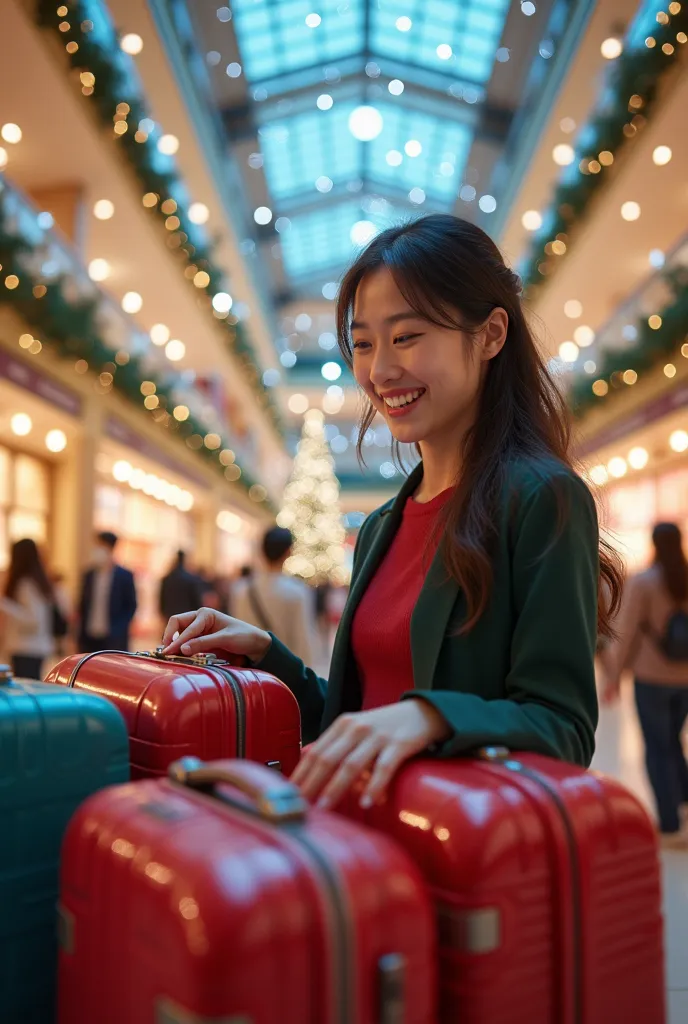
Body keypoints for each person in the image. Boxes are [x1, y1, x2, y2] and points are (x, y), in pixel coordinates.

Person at [162, 214, 622, 811]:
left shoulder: (541, 498)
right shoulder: (383, 525)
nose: (379, 371)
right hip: (360, 842)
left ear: (490, 335)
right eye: (362, 343)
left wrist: (430, 718)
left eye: (406, 337)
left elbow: (563, 728)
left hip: (453, 855)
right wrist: (265, 655)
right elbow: (354, 720)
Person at [603, 523, 688, 848]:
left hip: (652, 679)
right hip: (685, 680)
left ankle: (668, 824)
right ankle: (683, 802)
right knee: (673, 742)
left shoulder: (645, 582)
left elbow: (626, 633)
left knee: (658, 747)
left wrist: (613, 676)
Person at [231, 527, 318, 667]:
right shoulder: (297, 592)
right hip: (282, 672)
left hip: (247, 672)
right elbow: (303, 641)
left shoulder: (241, 589)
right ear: (288, 552)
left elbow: (234, 631)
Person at [0, 538, 54, 679]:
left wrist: (5, 605)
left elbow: (33, 620)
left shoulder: (27, 584)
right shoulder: (35, 581)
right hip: (29, 648)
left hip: (27, 648)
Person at [78, 531, 137, 653]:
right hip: (89, 637)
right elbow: (82, 604)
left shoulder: (124, 576)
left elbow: (130, 606)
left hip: (113, 639)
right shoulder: (89, 575)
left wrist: (118, 629)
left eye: (101, 545)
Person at [159, 551, 208, 623]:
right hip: (187, 615)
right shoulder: (190, 578)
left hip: (170, 614)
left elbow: (162, 600)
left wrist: (163, 612)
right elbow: (195, 600)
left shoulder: (167, 579)